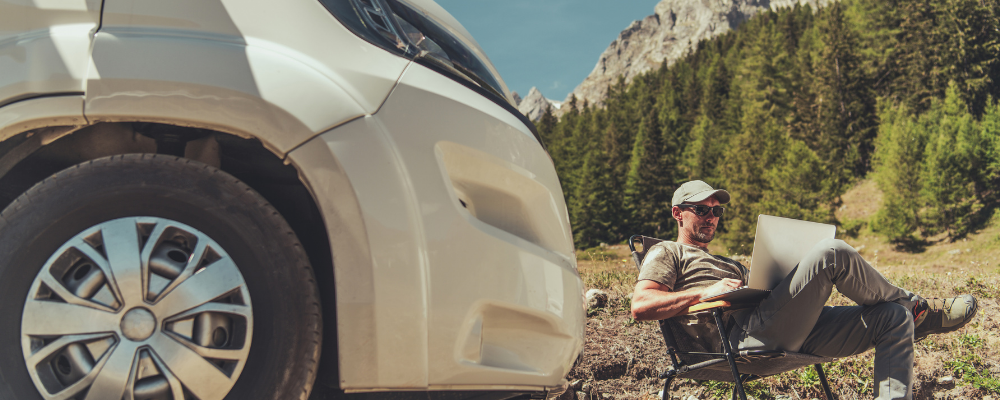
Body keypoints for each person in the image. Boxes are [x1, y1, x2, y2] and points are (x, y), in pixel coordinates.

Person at [631, 180, 979, 400]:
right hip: (733, 342)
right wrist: (704, 293)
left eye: (716, 210)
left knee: (893, 316)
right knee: (833, 253)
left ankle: (909, 314)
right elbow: (641, 305)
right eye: (701, 210)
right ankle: (922, 311)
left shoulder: (729, 262)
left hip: (775, 329)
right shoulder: (668, 252)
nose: (711, 216)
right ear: (678, 213)